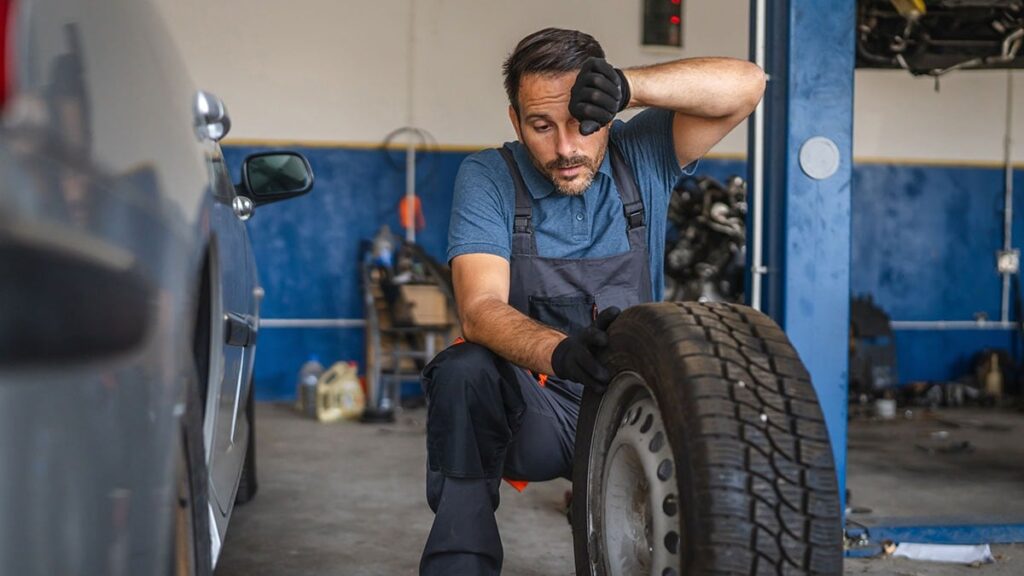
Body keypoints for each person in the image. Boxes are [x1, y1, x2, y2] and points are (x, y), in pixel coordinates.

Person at [419, 27, 765, 576]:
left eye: (584, 123)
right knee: (462, 370)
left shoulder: (642, 153)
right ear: (515, 121)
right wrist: (558, 352)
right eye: (541, 126)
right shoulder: (490, 176)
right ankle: (461, 562)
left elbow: (747, 85)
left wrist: (631, 85)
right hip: (537, 409)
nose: (565, 148)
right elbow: (480, 308)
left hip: (633, 399)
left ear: (608, 113)